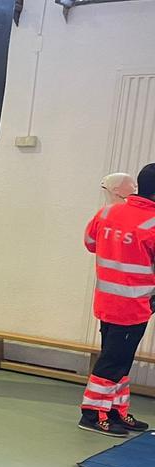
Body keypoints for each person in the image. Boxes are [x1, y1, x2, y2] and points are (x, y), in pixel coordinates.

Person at [81, 163, 155, 436]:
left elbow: (90, 243)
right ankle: (91, 414)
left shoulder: (109, 211)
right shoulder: (153, 223)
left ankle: (114, 410)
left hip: (107, 300)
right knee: (113, 362)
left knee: (119, 361)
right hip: (133, 305)